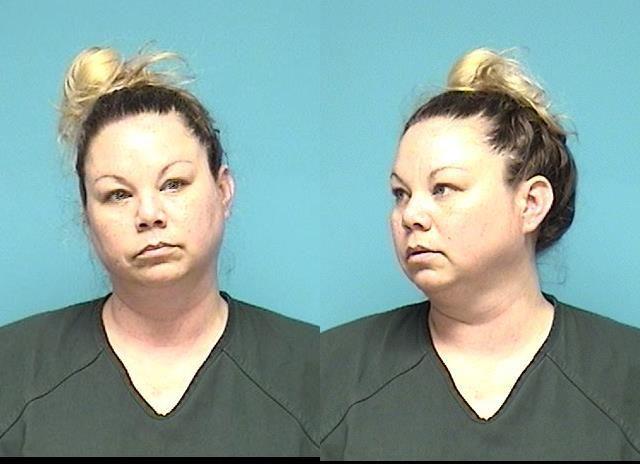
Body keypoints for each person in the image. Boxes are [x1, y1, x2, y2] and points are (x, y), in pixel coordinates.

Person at [320, 48, 640, 460]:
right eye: (401, 193)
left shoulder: (626, 377)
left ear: (531, 203)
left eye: (443, 189)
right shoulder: (331, 371)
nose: (411, 215)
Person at [0, 46, 318, 457]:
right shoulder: (12, 370)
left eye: (173, 184)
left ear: (223, 190)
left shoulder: (313, 369)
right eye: (118, 194)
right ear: (86, 215)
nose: (149, 214)